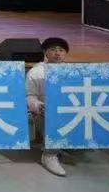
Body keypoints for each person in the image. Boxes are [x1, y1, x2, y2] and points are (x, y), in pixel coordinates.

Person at [26, 37, 70, 176]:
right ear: (45, 52)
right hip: (42, 113)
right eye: (53, 50)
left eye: (61, 50)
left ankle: (66, 145)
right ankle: (49, 155)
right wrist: (37, 105)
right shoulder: (36, 72)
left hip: (68, 111)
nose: (57, 53)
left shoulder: (73, 72)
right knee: (53, 116)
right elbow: (29, 95)